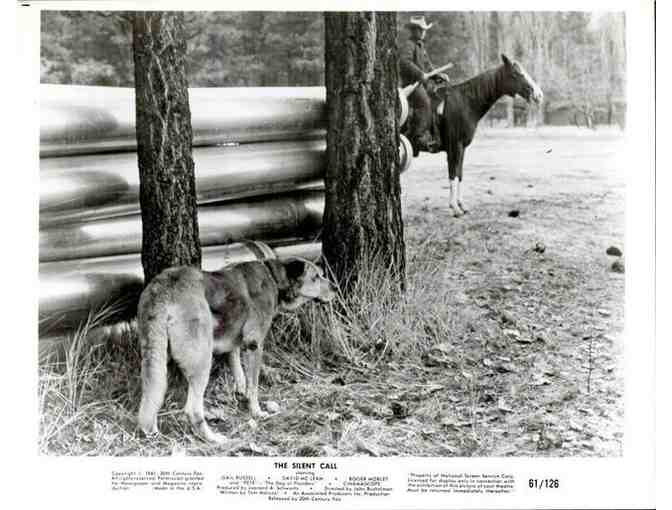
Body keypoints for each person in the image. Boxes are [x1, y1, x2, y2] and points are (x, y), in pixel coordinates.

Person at [400, 16, 446, 156]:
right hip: (411, 85)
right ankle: (418, 137)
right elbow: (404, 62)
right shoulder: (409, 45)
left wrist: (439, 76)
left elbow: (428, 65)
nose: (423, 33)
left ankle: (434, 135)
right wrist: (420, 74)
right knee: (424, 103)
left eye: (423, 30)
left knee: (436, 99)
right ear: (415, 31)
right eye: (421, 30)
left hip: (421, 84)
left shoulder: (420, 46)